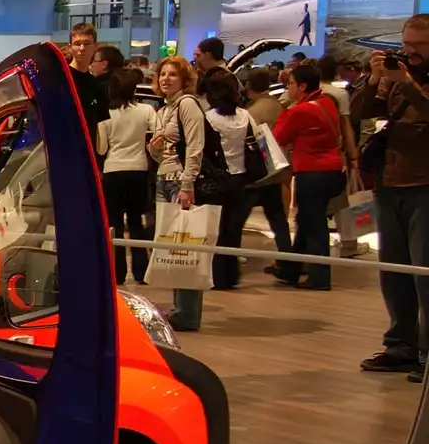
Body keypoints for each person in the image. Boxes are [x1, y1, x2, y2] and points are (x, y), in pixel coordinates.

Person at [352, 15, 429, 380]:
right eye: (406, 44)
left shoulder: (410, 80)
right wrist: (373, 80)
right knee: (394, 271)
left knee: (424, 273)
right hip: (389, 184)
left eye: (419, 47)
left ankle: (427, 352)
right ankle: (401, 345)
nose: (409, 52)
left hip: (424, 186)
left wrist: (409, 83)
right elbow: (360, 113)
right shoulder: (395, 76)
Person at [206, 68, 291, 289]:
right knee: (233, 229)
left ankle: (217, 275)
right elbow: (258, 139)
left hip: (217, 178)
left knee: (217, 229)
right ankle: (230, 275)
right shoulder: (244, 115)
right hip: (241, 177)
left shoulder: (209, 118)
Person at [271, 62, 348, 291]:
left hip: (312, 173)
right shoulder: (327, 102)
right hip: (333, 170)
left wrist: (287, 109)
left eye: (290, 83)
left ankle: (320, 277)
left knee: (314, 226)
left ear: (302, 86)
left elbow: (278, 136)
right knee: (306, 221)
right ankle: (291, 270)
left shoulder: (299, 110)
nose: (287, 87)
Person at [149, 54, 209, 331]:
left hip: (179, 180)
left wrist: (187, 184)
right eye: (162, 74)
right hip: (164, 178)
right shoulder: (164, 109)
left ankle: (187, 312)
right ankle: (180, 309)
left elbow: (196, 145)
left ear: (184, 79)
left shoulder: (187, 104)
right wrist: (154, 147)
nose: (165, 79)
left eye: (172, 74)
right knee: (174, 249)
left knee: (186, 248)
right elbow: (158, 153)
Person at [98, 68, 154, 286]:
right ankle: (141, 272)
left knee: (114, 224)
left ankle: (117, 272)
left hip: (113, 170)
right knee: (136, 222)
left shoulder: (105, 114)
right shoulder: (146, 110)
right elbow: (156, 133)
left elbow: (102, 149)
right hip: (138, 170)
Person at [66, 22, 110, 133]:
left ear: (95, 46)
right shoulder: (60, 79)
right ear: (70, 47)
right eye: (77, 44)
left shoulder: (97, 86)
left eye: (87, 43)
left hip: (89, 142)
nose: (82, 48)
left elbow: (101, 125)